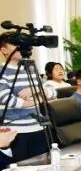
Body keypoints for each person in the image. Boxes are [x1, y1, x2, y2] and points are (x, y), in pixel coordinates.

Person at [0, 32, 48, 160]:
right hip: (15, 132)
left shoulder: (30, 69)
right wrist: (38, 97)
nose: (21, 47)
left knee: (42, 167)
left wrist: (32, 91)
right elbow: (7, 100)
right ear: (4, 50)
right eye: (16, 44)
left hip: (38, 127)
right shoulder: (2, 71)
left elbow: (50, 91)